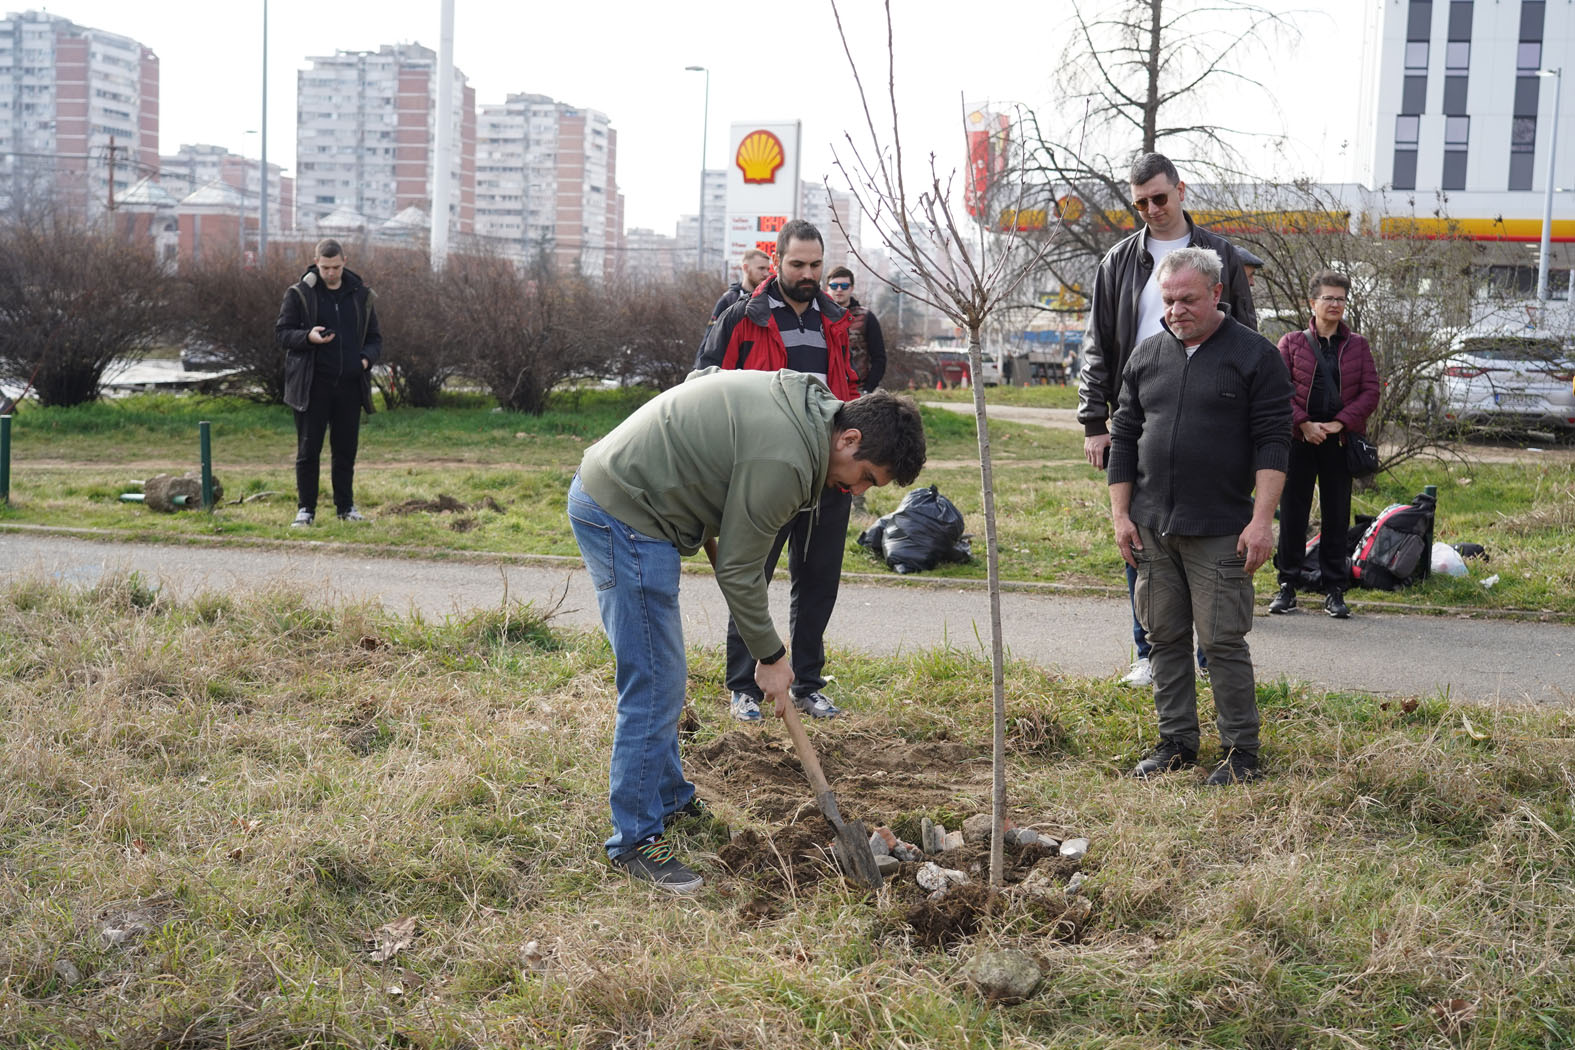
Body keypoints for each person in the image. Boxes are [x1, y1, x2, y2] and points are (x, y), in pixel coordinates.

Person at [568, 370, 926, 892]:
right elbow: (739, 569)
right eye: (866, 475)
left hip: (632, 495)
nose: (858, 489)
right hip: (625, 510)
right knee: (654, 682)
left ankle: (666, 798)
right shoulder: (785, 460)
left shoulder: (811, 409)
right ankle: (636, 840)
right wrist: (772, 656)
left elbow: (704, 379)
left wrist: (710, 482)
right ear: (849, 438)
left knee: (664, 673)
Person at [1107, 247, 1292, 786]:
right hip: (1151, 528)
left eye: (1187, 299)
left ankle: (1241, 753)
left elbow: (1274, 444)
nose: (1176, 310)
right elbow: (1123, 438)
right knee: (1163, 637)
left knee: (1221, 642)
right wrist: (1122, 515)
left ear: (1217, 293)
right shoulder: (1146, 355)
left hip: (1221, 529)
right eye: (1168, 300)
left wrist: (1262, 521)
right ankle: (1177, 743)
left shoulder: (1255, 356)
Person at [1078, 152, 1260, 687]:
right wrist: (1095, 420)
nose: (1152, 210)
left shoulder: (1220, 255)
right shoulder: (1117, 263)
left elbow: (1247, 336)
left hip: (1213, 410)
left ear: (1181, 191)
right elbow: (1097, 345)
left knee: (1213, 526)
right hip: (1142, 411)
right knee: (1139, 528)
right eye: (1140, 203)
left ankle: (1211, 651)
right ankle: (1150, 651)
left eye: (1160, 197)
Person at [697, 219, 862, 723]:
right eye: (797, 264)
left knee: (818, 584)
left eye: (816, 264)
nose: (808, 274)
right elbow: (703, 382)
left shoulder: (834, 320)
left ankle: (808, 684)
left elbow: (847, 392)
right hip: (762, 474)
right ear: (777, 261)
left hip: (826, 475)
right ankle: (743, 687)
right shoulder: (741, 317)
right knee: (752, 574)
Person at [1269, 270, 1380, 619]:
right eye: (1328, 298)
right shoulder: (1290, 343)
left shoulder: (1357, 345)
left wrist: (1340, 422)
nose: (1335, 305)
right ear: (1312, 303)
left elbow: (1370, 392)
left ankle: (1335, 588)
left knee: (1336, 515)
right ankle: (1288, 584)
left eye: (1341, 299)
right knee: (1292, 514)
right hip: (1299, 441)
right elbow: (1277, 390)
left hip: (1338, 441)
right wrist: (1302, 422)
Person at [276, 238, 381, 526]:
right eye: (325, 268)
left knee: (345, 452)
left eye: (335, 267)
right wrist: (307, 337)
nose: (330, 273)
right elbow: (283, 334)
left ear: (344, 261)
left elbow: (374, 339)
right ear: (316, 262)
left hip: (349, 386)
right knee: (308, 451)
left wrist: (364, 361)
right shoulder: (299, 294)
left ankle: (345, 508)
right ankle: (305, 509)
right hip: (311, 387)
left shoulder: (361, 295)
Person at [824, 265, 887, 393]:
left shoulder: (866, 317)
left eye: (844, 286)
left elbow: (879, 358)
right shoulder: (818, 316)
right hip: (825, 389)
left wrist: (868, 389)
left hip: (857, 390)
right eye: (834, 286)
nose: (839, 290)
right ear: (827, 288)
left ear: (852, 288)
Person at [700, 248, 772, 349]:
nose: (766, 274)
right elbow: (710, 340)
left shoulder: (772, 300)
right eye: (761, 268)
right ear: (746, 268)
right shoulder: (728, 300)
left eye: (768, 269)